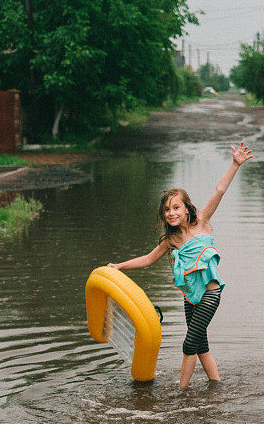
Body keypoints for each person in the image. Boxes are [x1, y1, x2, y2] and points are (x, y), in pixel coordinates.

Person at [107, 141, 253, 388]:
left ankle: (182, 392)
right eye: (167, 210)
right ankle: (216, 386)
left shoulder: (202, 222)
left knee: (189, 343)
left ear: (187, 209)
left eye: (176, 207)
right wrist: (119, 266)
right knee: (200, 344)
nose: (171, 213)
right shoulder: (170, 240)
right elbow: (147, 259)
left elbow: (219, 190)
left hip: (210, 293)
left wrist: (235, 164)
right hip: (189, 299)